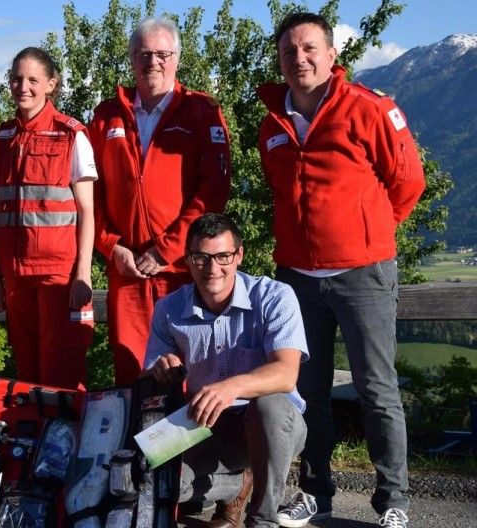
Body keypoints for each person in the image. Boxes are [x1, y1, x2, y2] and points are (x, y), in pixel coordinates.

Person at [256, 12, 426, 528]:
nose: (300, 59)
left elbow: (408, 182)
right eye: (289, 51)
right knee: (306, 389)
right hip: (298, 279)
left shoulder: (370, 109)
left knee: (377, 388)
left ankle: (393, 498)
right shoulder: (272, 125)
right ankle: (315, 492)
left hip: (363, 276)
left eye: (310, 49)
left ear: (332, 55)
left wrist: (367, 236)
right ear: (281, 61)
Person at [90, 16, 232, 385]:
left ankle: (194, 445)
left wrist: (168, 250)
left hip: (184, 270)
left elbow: (212, 192)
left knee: (189, 370)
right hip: (126, 268)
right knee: (131, 370)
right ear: (132, 58)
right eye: (143, 54)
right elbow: (92, 191)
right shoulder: (106, 116)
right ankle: (133, 444)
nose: (153, 62)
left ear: (177, 59)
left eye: (162, 54)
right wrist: (110, 246)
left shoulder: (202, 111)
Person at [143, 213, 308, 528]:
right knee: (143, 472)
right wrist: (162, 366)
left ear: (239, 255)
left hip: (271, 425)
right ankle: (236, 485)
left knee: (269, 403)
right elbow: (149, 371)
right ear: (188, 259)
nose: (212, 269)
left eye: (222, 257)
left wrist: (231, 387)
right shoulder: (168, 309)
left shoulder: (275, 296)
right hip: (204, 419)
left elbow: (287, 375)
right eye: (201, 258)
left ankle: (263, 519)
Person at [0, 47, 97, 389]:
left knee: (61, 372)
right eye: (17, 79)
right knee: (27, 373)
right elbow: (1, 214)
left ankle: (66, 441)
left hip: (58, 277)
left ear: (51, 84)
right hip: (15, 277)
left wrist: (83, 274)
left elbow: (88, 211)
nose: (24, 87)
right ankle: (33, 442)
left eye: (33, 80)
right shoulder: (1, 139)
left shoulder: (71, 135)